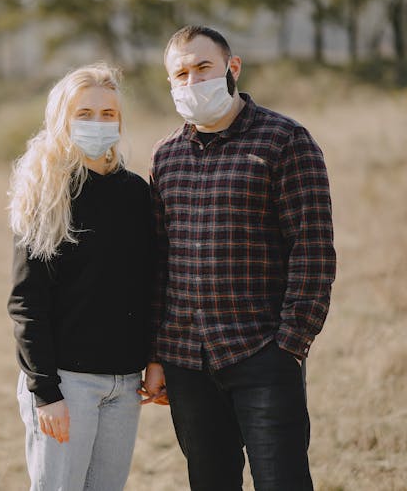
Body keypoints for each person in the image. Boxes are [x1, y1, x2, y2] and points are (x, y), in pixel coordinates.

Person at [141, 26, 336, 491]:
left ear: (232, 67)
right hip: (187, 360)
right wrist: (155, 354)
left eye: (202, 67)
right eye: (180, 73)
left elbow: (313, 250)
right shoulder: (165, 156)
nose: (192, 81)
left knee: (282, 481)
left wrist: (290, 344)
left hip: (261, 352)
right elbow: (157, 264)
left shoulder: (285, 140)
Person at [7, 63, 153, 490]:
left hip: (125, 385)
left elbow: (147, 284)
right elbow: (26, 302)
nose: (97, 123)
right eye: (84, 114)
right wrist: (46, 393)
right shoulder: (45, 192)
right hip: (66, 385)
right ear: (62, 120)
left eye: (108, 114)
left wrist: (153, 359)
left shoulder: (136, 193)